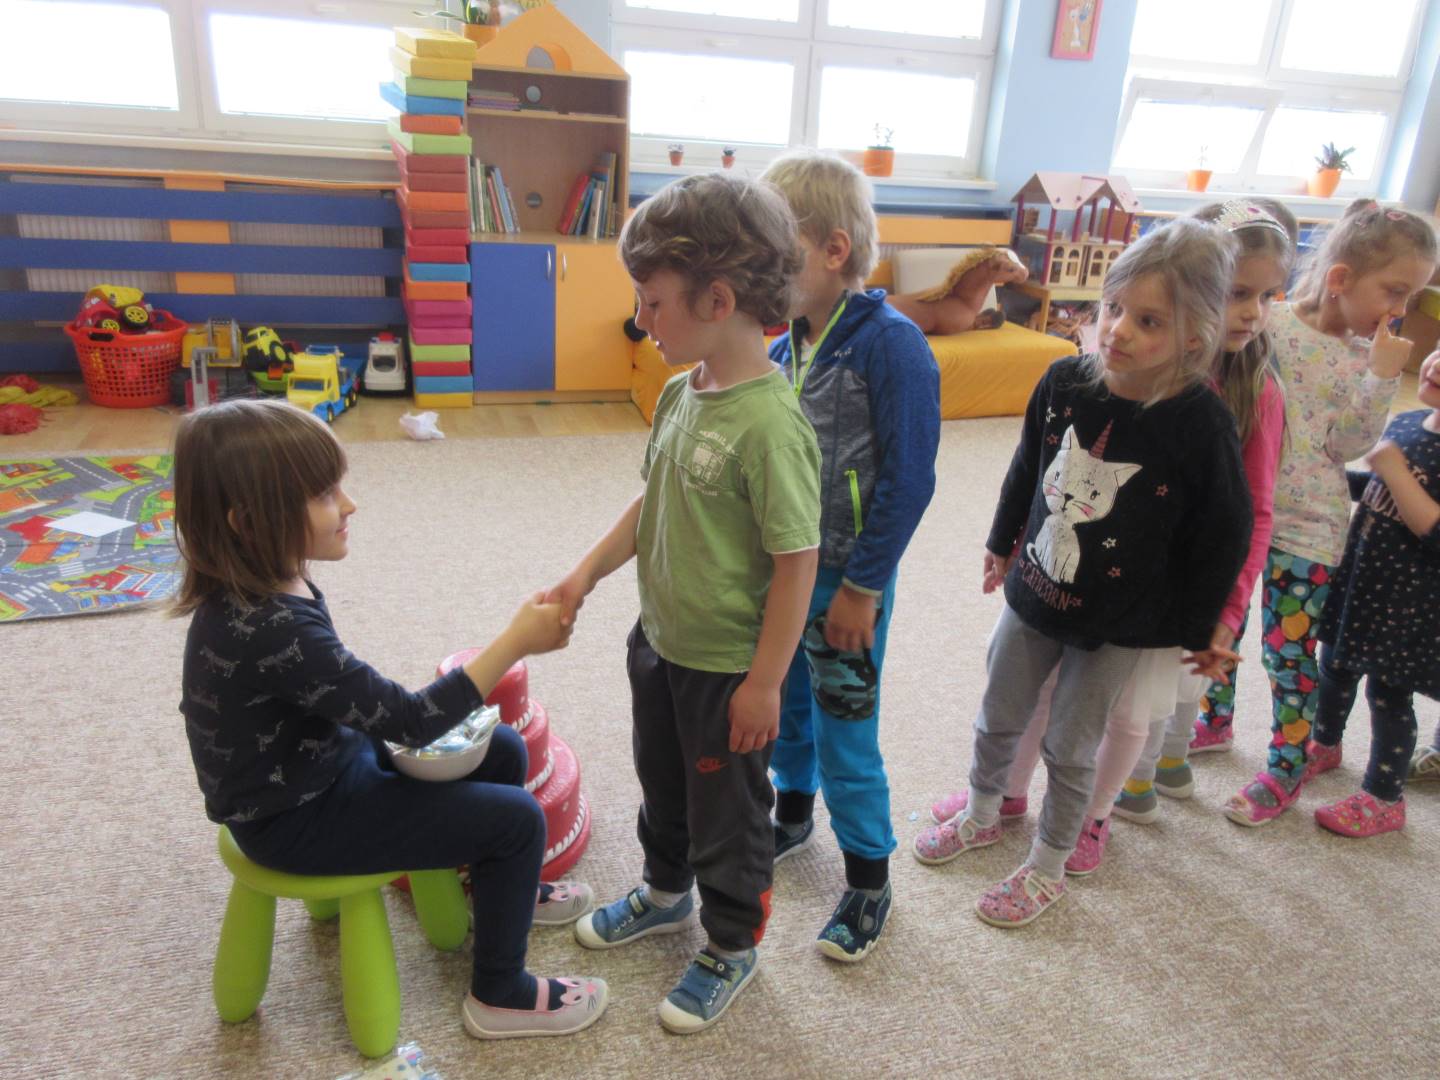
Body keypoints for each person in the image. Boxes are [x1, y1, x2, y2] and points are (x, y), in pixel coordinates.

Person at [174, 398, 606, 1041]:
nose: (348, 505)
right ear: (248, 522)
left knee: (504, 749)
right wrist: (515, 641)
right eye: (325, 495)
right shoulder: (268, 627)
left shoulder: (272, 584)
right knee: (517, 822)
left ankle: (497, 891)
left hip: (323, 768)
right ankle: (500, 995)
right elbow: (410, 720)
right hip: (292, 821)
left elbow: (351, 703)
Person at [935, 201, 1296, 869]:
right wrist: (999, 540)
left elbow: (1230, 528)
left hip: (1120, 623)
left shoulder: (1202, 422)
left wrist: (1207, 627)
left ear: (1195, 338)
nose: (1119, 329)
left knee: (1074, 743)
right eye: (1113, 308)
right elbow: (1028, 465)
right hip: (1036, 589)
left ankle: (1051, 859)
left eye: (1149, 321)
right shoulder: (1063, 380)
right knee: (1000, 712)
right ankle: (985, 812)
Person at [551, 173, 822, 1033]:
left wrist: (765, 683)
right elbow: (652, 504)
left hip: (727, 669)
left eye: (653, 301)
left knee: (729, 815)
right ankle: (666, 893)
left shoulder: (771, 427)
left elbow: (798, 563)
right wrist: (585, 574)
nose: (642, 321)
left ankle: (732, 943)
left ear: (718, 299)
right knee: (662, 782)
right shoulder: (680, 390)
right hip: (660, 640)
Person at [1203, 200, 1437, 827]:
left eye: (1411, 296)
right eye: (1394, 291)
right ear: (1339, 278)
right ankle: (1213, 721)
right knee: (1220, 627)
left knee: (1288, 654)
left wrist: (1382, 379)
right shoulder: (1267, 321)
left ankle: (1285, 768)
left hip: (1309, 529)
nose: (1400, 309)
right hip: (1237, 513)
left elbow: (1347, 446)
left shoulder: (1368, 358)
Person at [759, 150, 940, 961]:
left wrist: (863, 587)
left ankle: (869, 879)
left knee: (845, 731)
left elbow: (911, 479)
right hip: (787, 571)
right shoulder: (784, 347)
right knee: (788, 704)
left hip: (847, 578)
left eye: (777, 253)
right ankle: (792, 814)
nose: (763, 272)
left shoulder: (892, 346)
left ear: (834, 250)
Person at [1301, 346, 1440, 835]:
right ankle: (1324, 743)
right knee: (1334, 664)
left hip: (1411, 605)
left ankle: (1385, 798)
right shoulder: (1410, 422)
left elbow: (1433, 528)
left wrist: (1394, 468)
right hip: (1362, 578)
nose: (1437, 364)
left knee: (1387, 693)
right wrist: (1334, 475)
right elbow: (1380, 487)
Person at [886, 246, 1029, 334]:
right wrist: (971, 323)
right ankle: (982, 322)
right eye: (1011, 270)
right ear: (994, 269)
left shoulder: (958, 303)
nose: (1021, 274)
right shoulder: (960, 312)